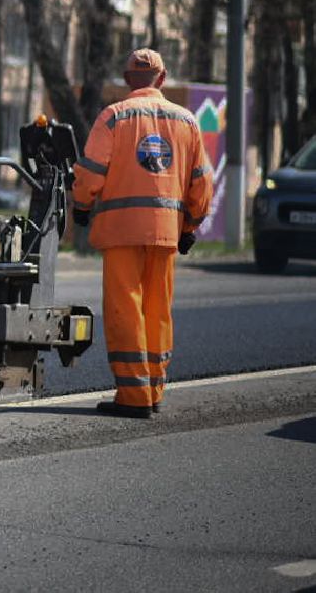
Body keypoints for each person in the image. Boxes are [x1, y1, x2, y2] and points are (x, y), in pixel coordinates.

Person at [72, 48, 213, 419]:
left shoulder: (114, 117)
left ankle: (133, 397)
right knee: (158, 310)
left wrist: (81, 206)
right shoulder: (186, 121)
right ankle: (153, 390)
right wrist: (191, 226)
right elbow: (201, 182)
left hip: (121, 233)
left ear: (126, 79)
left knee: (125, 309)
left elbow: (90, 173)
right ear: (162, 79)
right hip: (166, 234)